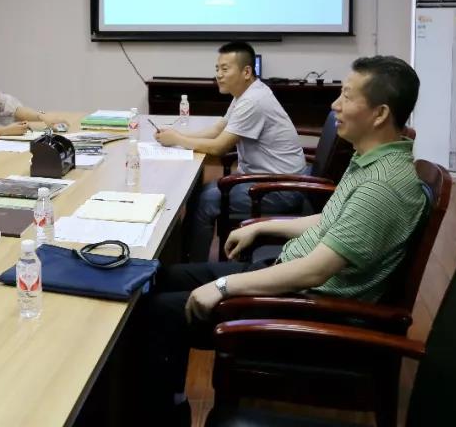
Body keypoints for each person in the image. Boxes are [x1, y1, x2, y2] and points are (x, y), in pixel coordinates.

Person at [137, 56, 425, 425]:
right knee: (161, 277)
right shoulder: (373, 162)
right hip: (288, 276)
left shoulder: (381, 186)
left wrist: (223, 287)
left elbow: (314, 271)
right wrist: (263, 227)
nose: (335, 104)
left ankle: (164, 415)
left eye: (347, 96)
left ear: (380, 114)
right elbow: (332, 220)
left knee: (158, 313)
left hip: (308, 307)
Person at [155, 41, 306, 261]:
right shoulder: (245, 94)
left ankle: (192, 265)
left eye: (225, 69)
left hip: (280, 189)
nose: (218, 75)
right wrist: (176, 136)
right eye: (217, 68)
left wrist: (178, 139)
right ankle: (181, 256)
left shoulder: (253, 100)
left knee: (205, 201)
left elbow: (219, 147)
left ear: (246, 72)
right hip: (268, 178)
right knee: (199, 193)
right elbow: (218, 130)